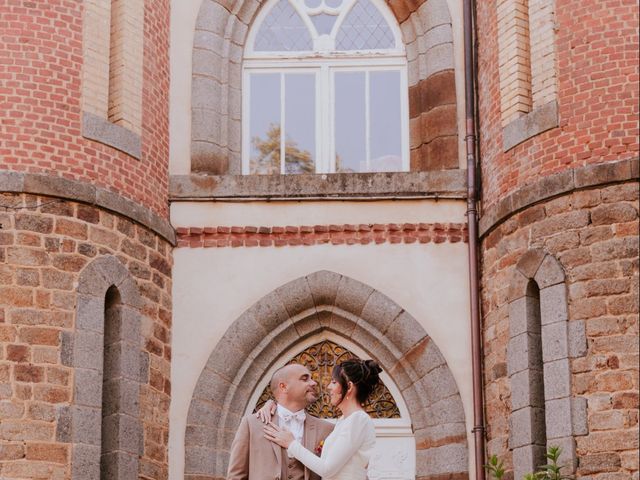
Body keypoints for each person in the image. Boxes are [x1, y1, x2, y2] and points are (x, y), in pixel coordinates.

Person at [263, 359, 382, 480]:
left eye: (334, 382)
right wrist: (272, 404)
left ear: (349, 387)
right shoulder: (344, 420)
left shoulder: (359, 420)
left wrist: (291, 444)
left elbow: (326, 469)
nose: (329, 387)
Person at [227, 363, 334, 480]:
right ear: (283, 387)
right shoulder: (251, 424)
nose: (313, 383)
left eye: (312, 379)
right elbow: (236, 476)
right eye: (305, 379)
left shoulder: (327, 429)